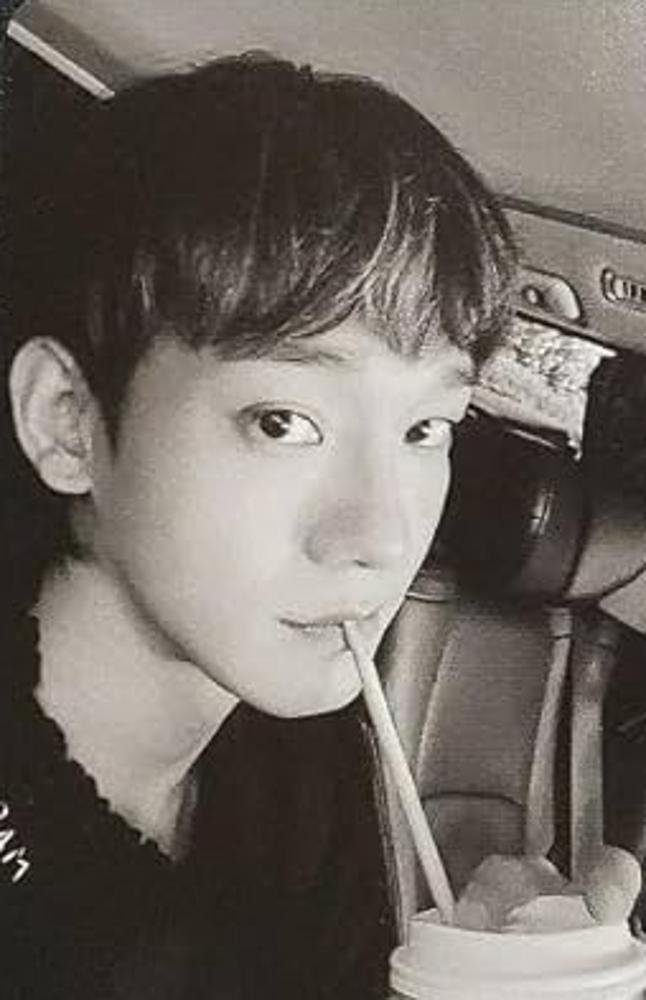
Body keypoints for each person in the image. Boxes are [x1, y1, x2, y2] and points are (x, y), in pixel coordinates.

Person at [0, 51, 516, 998]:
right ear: (68, 421)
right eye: (283, 422)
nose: (379, 539)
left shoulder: (305, 790)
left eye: (425, 428)